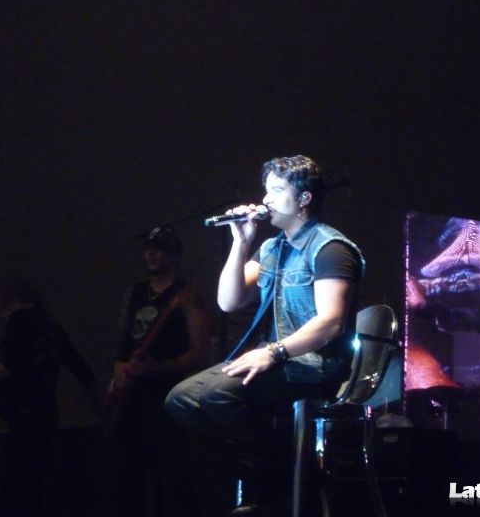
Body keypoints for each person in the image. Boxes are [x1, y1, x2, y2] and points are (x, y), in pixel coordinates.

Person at [165, 155, 365, 517]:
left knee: (217, 394)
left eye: (276, 190)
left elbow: (331, 322)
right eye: (266, 190)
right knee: (181, 399)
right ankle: (269, 469)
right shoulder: (273, 248)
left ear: (304, 198)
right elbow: (229, 302)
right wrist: (240, 243)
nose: (266, 199)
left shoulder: (331, 248)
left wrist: (273, 353)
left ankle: (273, 481)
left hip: (316, 363)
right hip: (278, 358)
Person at [0, 278, 99, 517]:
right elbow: (80, 367)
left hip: (23, 413)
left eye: (3, 309)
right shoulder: (51, 326)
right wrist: (98, 403)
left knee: (15, 486)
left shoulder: (21, 319)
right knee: (34, 484)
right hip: (46, 413)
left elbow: (13, 361)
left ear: (14, 302)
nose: (3, 316)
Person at [106, 226, 212, 517]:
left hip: (166, 400)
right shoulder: (135, 293)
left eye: (160, 249)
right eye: (148, 248)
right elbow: (121, 342)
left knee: (172, 480)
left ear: (175, 256)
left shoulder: (187, 296)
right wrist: (119, 368)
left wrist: (160, 367)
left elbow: (202, 353)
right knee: (127, 480)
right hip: (131, 400)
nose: (151, 254)